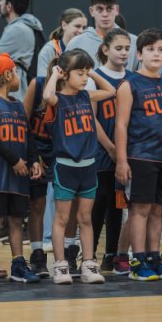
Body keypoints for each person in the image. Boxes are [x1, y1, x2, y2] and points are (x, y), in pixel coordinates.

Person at [114, 29, 162, 282]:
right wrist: (122, 161)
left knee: (158, 211)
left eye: (161, 50)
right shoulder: (129, 85)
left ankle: (155, 258)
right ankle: (138, 260)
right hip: (140, 157)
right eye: (150, 50)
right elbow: (121, 125)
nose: (156, 54)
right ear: (139, 54)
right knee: (140, 210)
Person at [43, 49, 116, 284]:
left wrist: (93, 74)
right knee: (62, 219)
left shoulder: (86, 95)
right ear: (65, 74)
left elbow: (111, 91)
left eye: (87, 72)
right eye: (80, 73)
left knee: (85, 218)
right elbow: (46, 97)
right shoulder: (58, 99)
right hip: (66, 167)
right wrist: (55, 75)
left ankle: (88, 264)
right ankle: (60, 266)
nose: (84, 77)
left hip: (88, 167)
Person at [0, 53, 43, 284]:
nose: (17, 77)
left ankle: (18, 264)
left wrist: (34, 160)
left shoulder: (18, 105)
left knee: (16, 220)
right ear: (6, 75)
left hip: (20, 175)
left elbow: (29, 137)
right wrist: (15, 159)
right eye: (14, 72)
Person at [88, 28, 133, 274]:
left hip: (123, 153)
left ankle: (112, 253)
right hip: (102, 150)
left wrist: (123, 151)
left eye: (127, 48)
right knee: (99, 202)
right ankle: (90, 253)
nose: (124, 52)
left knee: (118, 206)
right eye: (119, 48)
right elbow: (92, 119)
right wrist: (110, 146)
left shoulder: (132, 78)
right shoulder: (95, 77)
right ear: (105, 50)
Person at [23, 60, 56, 278]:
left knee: (65, 207)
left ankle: (68, 254)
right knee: (36, 203)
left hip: (58, 153)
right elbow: (23, 123)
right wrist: (34, 156)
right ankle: (37, 253)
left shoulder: (76, 92)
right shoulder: (38, 85)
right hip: (34, 150)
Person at [0, 0, 43, 100]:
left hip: (14, 91)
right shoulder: (25, 26)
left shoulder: (17, 29)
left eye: (1, 0)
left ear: (9, 6)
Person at [68, 0, 138, 71]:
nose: (105, 14)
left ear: (116, 10)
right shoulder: (76, 43)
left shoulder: (134, 42)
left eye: (109, 9)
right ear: (91, 11)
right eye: (99, 9)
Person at [36, 8, 87, 77]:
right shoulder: (49, 50)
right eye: (77, 26)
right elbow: (42, 82)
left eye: (84, 28)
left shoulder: (86, 49)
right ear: (64, 25)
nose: (81, 31)